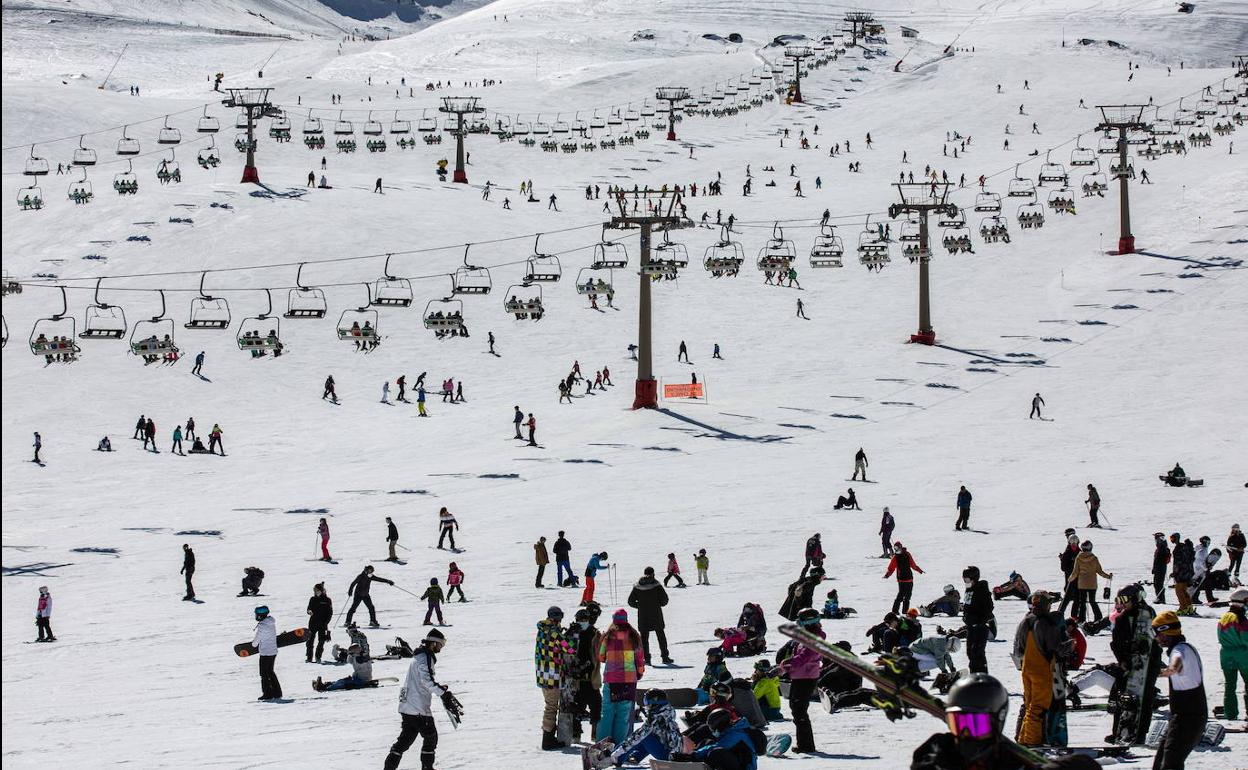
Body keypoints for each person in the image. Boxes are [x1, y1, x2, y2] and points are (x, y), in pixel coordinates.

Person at [911, 674, 1099, 770]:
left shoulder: (1010, 762)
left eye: (976, 725)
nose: (965, 734)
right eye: (958, 724)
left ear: (997, 722)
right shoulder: (939, 752)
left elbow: (1086, 766)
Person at [383, 629, 457, 770]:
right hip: (418, 708)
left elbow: (421, 680)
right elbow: (426, 680)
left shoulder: (418, 656)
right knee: (430, 737)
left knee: (404, 741)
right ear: (433, 643)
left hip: (408, 706)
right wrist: (442, 693)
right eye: (440, 644)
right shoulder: (425, 657)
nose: (441, 647)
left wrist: (439, 688)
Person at [1011, 592, 1069, 746]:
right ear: (1046, 605)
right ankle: (1031, 741)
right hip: (1041, 670)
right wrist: (1070, 645)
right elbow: (1055, 648)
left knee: (1029, 705)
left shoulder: (1025, 621)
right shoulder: (1044, 623)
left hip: (1026, 669)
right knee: (1038, 708)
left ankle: (1022, 738)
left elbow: (1018, 649)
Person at [1152, 611, 1208, 769]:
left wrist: (1161, 672)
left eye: (1156, 632)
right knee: (1161, 761)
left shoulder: (1180, 651)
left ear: (1165, 632)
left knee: (1171, 763)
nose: (1155, 637)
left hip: (1189, 718)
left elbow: (1176, 666)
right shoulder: (1184, 648)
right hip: (1181, 717)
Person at [594, 688, 682, 767]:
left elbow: (638, 737)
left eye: (648, 704)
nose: (646, 706)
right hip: (671, 753)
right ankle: (634, 757)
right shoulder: (665, 713)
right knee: (646, 736)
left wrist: (617, 753)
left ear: (655, 704)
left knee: (644, 737)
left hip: (669, 758)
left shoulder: (656, 718)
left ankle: (616, 759)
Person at [597, 609, 645, 745]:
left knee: (607, 712)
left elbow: (601, 657)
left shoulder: (608, 636)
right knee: (623, 714)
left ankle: (602, 744)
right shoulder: (634, 636)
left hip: (611, 679)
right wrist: (639, 672)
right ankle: (618, 746)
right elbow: (640, 658)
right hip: (628, 680)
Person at [780, 608, 825, 752]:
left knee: (799, 711)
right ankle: (804, 744)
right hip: (800, 676)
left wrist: (785, 666)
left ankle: (806, 745)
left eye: (800, 622)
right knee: (796, 709)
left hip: (806, 678)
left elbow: (804, 658)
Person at [628, 566, 672, 665]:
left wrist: (640, 606)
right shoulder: (656, 585)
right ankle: (665, 657)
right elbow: (665, 600)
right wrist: (658, 604)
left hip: (643, 615)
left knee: (644, 638)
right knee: (661, 636)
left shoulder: (637, 586)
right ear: (653, 574)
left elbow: (630, 601)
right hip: (656, 614)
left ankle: (647, 659)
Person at [1217, 588, 1248, 721]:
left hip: (1226, 655)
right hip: (1243, 655)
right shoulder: (1241, 619)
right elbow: (1245, 638)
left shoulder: (1223, 618)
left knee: (1229, 686)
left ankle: (1230, 713)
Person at [1067, 541, 1112, 622]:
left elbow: (1075, 572)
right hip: (1092, 584)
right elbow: (1099, 571)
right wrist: (1108, 576)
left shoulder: (1078, 558)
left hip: (1082, 584)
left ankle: (1081, 619)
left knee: (1082, 602)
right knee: (1092, 601)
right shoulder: (1094, 558)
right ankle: (1098, 618)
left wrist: (1070, 579)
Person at [962, 566, 994, 673]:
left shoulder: (982, 590)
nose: (965, 581)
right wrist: (966, 616)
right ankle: (975, 675)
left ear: (974, 578)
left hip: (980, 627)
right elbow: (967, 605)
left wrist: (979, 620)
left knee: (977, 653)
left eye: (967, 579)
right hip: (971, 627)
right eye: (964, 579)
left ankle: (982, 676)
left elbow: (989, 608)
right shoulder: (968, 589)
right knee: (970, 652)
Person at [251, 606, 282, 700]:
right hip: (273, 651)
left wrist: (253, 644)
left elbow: (257, 640)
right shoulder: (271, 622)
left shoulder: (262, 625)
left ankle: (267, 693)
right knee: (270, 672)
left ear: (260, 616)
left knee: (264, 674)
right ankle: (277, 693)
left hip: (265, 653)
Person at [885, 542, 924, 613]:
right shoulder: (895, 557)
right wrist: (887, 574)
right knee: (900, 596)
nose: (896, 550)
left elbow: (913, 564)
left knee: (908, 597)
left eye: (897, 548)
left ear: (900, 547)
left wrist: (919, 570)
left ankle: (905, 611)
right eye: (895, 548)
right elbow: (891, 568)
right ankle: (895, 611)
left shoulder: (907, 554)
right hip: (901, 580)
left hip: (909, 579)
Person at [306, 583, 333, 663]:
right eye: (315, 590)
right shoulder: (312, 599)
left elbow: (330, 612)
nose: (316, 592)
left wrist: (326, 622)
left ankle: (318, 657)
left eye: (317, 590)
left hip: (323, 624)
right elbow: (308, 608)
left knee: (321, 641)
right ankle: (309, 657)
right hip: (313, 623)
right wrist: (309, 611)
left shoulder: (327, 600)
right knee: (310, 641)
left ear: (321, 590)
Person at [1153, 532, 1172, 604]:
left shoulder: (1162, 547)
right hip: (1160, 567)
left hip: (1160, 568)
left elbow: (1159, 559)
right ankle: (1160, 598)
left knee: (1158, 583)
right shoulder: (1162, 546)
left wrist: (1156, 568)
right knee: (1158, 583)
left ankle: (1160, 598)